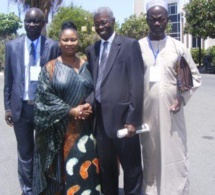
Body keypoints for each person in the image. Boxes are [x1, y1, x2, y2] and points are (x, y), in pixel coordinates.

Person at [138, 0, 202, 194]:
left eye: (161, 19)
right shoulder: (138, 47)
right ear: (147, 20)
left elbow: (195, 77)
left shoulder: (178, 47)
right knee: (150, 152)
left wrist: (181, 99)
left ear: (167, 21)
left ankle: (175, 190)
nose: (157, 23)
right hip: (146, 113)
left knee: (175, 153)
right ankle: (151, 190)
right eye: (153, 19)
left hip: (172, 113)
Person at [32, 21, 101, 195]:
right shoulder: (51, 68)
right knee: (61, 175)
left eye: (73, 39)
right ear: (59, 41)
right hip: (59, 132)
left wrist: (88, 105)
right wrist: (70, 110)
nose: (69, 43)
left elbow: (97, 89)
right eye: (65, 40)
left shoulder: (87, 65)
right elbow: (43, 98)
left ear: (78, 40)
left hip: (86, 130)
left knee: (86, 170)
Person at [85, 6, 144, 195]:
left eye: (103, 22)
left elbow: (137, 84)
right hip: (100, 122)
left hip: (123, 120)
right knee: (107, 169)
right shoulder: (91, 50)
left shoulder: (129, 45)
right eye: (96, 24)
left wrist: (133, 120)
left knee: (131, 168)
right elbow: (95, 83)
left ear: (113, 22)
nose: (100, 26)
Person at [4, 8, 59, 195]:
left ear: (43, 23)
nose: (32, 25)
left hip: (44, 110)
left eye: (36, 21)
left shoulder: (52, 46)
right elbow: (9, 80)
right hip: (21, 109)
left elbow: (57, 80)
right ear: (24, 22)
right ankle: (28, 190)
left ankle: (42, 187)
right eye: (28, 21)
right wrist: (7, 108)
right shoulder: (12, 47)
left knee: (44, 152)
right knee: (25, 154)